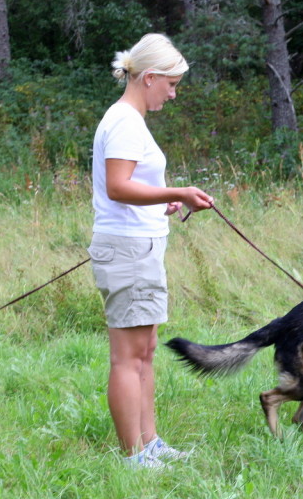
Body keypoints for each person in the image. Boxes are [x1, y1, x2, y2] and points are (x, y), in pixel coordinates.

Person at [88, 33, 215, 468]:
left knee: (145, 351)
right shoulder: (124, 121)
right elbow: (118, 186)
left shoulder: (129, 120)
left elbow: (131, 187)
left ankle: (149, 443)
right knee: (127, 357)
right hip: (127, 251)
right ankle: (133, 457)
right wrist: (177, 189)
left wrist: (161, 202)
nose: (173, 94)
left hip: (139, 246)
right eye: (172, 84)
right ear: (149, 78)